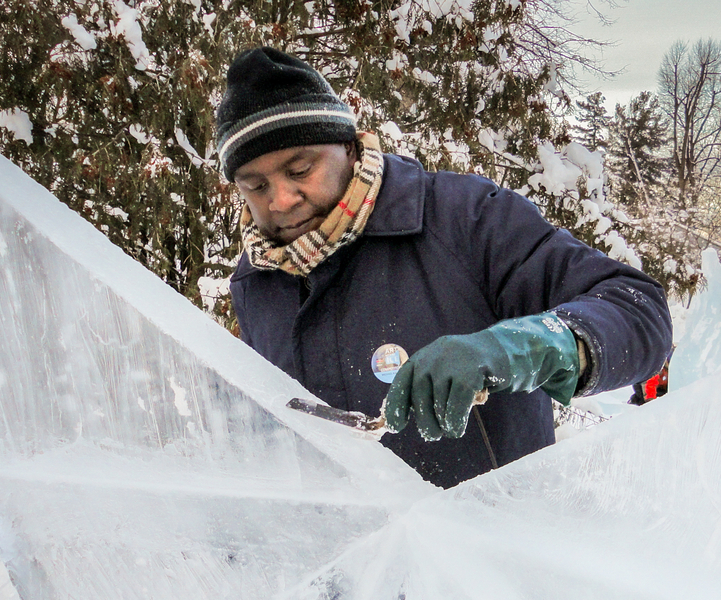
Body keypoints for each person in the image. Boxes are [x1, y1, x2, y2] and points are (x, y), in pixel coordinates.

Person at [218, 47, 672, 487]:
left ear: (348, 147)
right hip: (352, 557)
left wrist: (525, 346)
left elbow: (639, 311)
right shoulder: (257, 280)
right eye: (255, 185)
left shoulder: (463, 218)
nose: (280, 200)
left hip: (490, 549)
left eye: (300, 170)